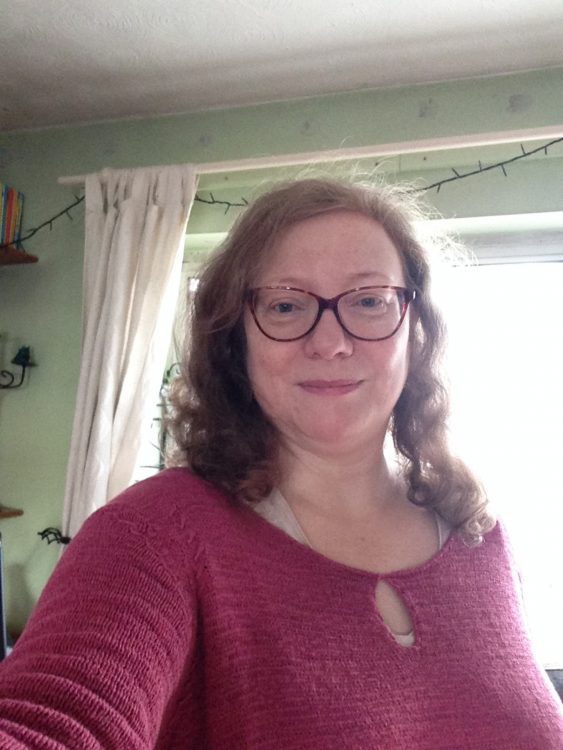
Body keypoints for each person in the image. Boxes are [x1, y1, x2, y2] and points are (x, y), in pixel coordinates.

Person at [0, 178, 561, 749]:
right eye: (286, 305)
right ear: (235, 339)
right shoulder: (154, 534)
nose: (330, 342)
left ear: (414, 328)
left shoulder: (480, 538)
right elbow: (52, 722)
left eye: (369, 301)